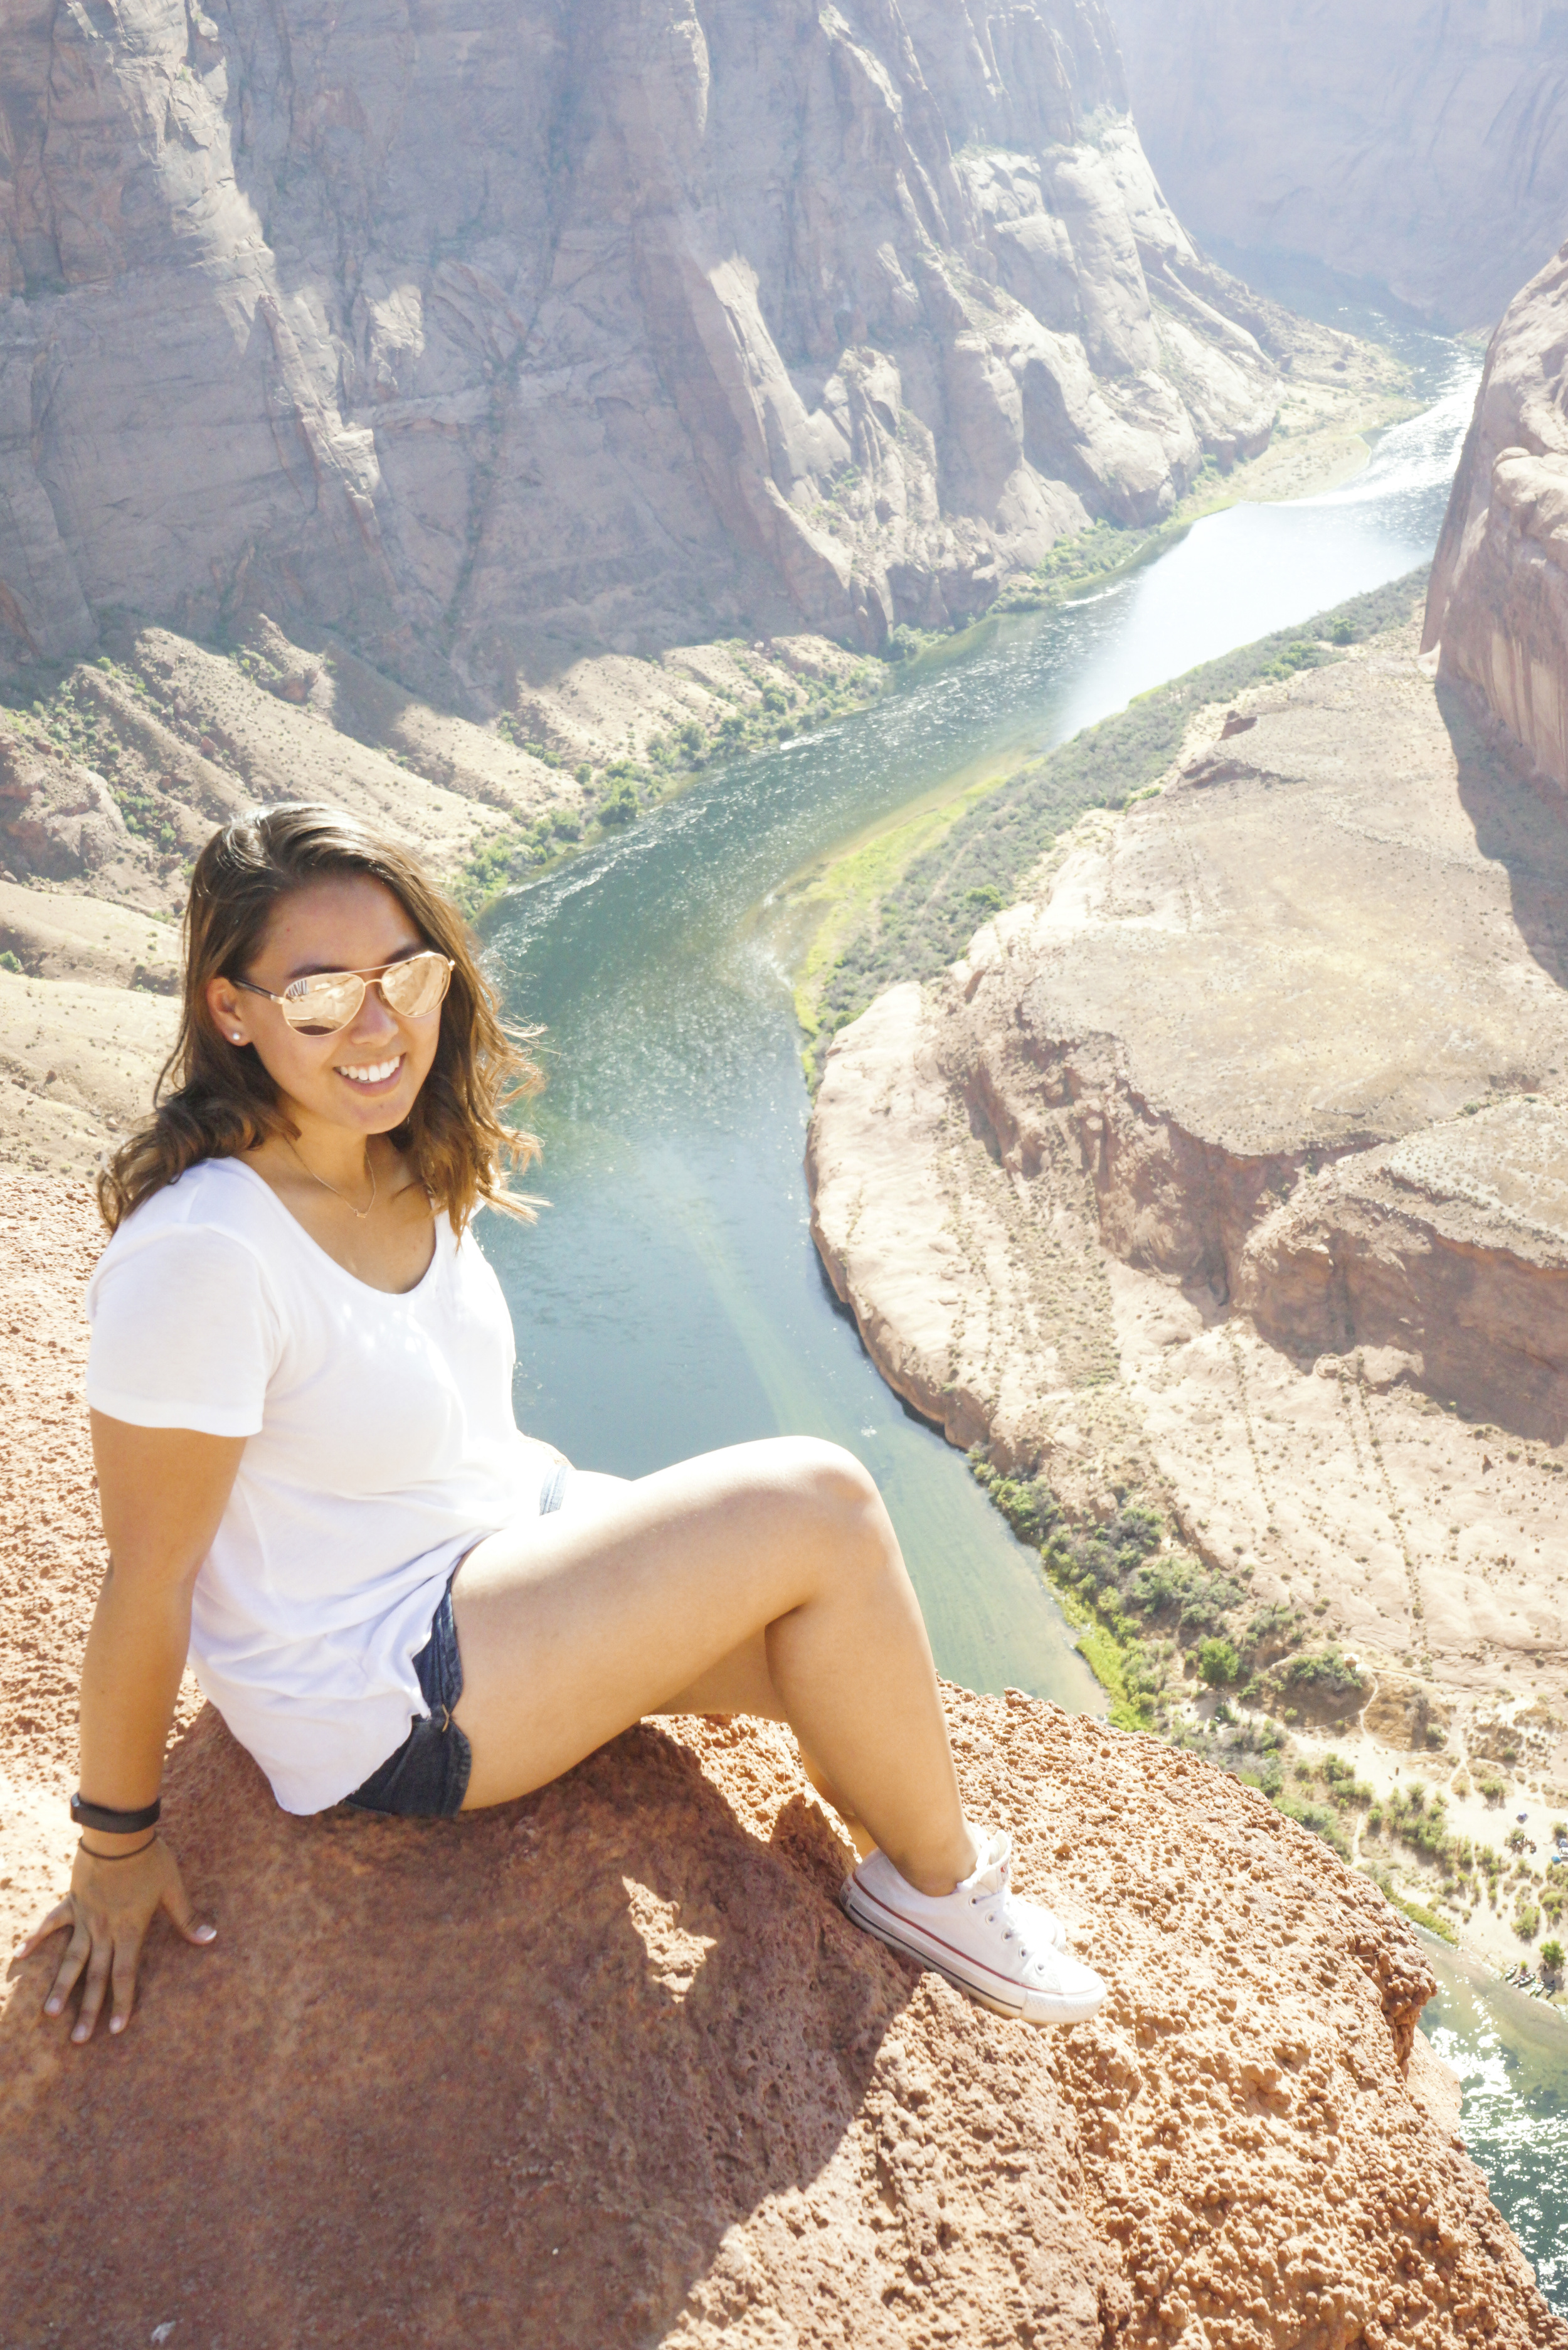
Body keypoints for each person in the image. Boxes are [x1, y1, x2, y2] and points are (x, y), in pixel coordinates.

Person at [20, 803, 1106, 2044]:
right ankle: (939, 1883)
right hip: (383, 1686)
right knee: (822, 1502)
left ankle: (897, 1858)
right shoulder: (206, 1251)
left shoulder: (395, 1157)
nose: (378, 1028)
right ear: (232, 1010)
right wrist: (114, 1842)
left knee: (831, 1653)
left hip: (483, 1564)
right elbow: (147, 1574)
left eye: (405, 976)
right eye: (319, 997)